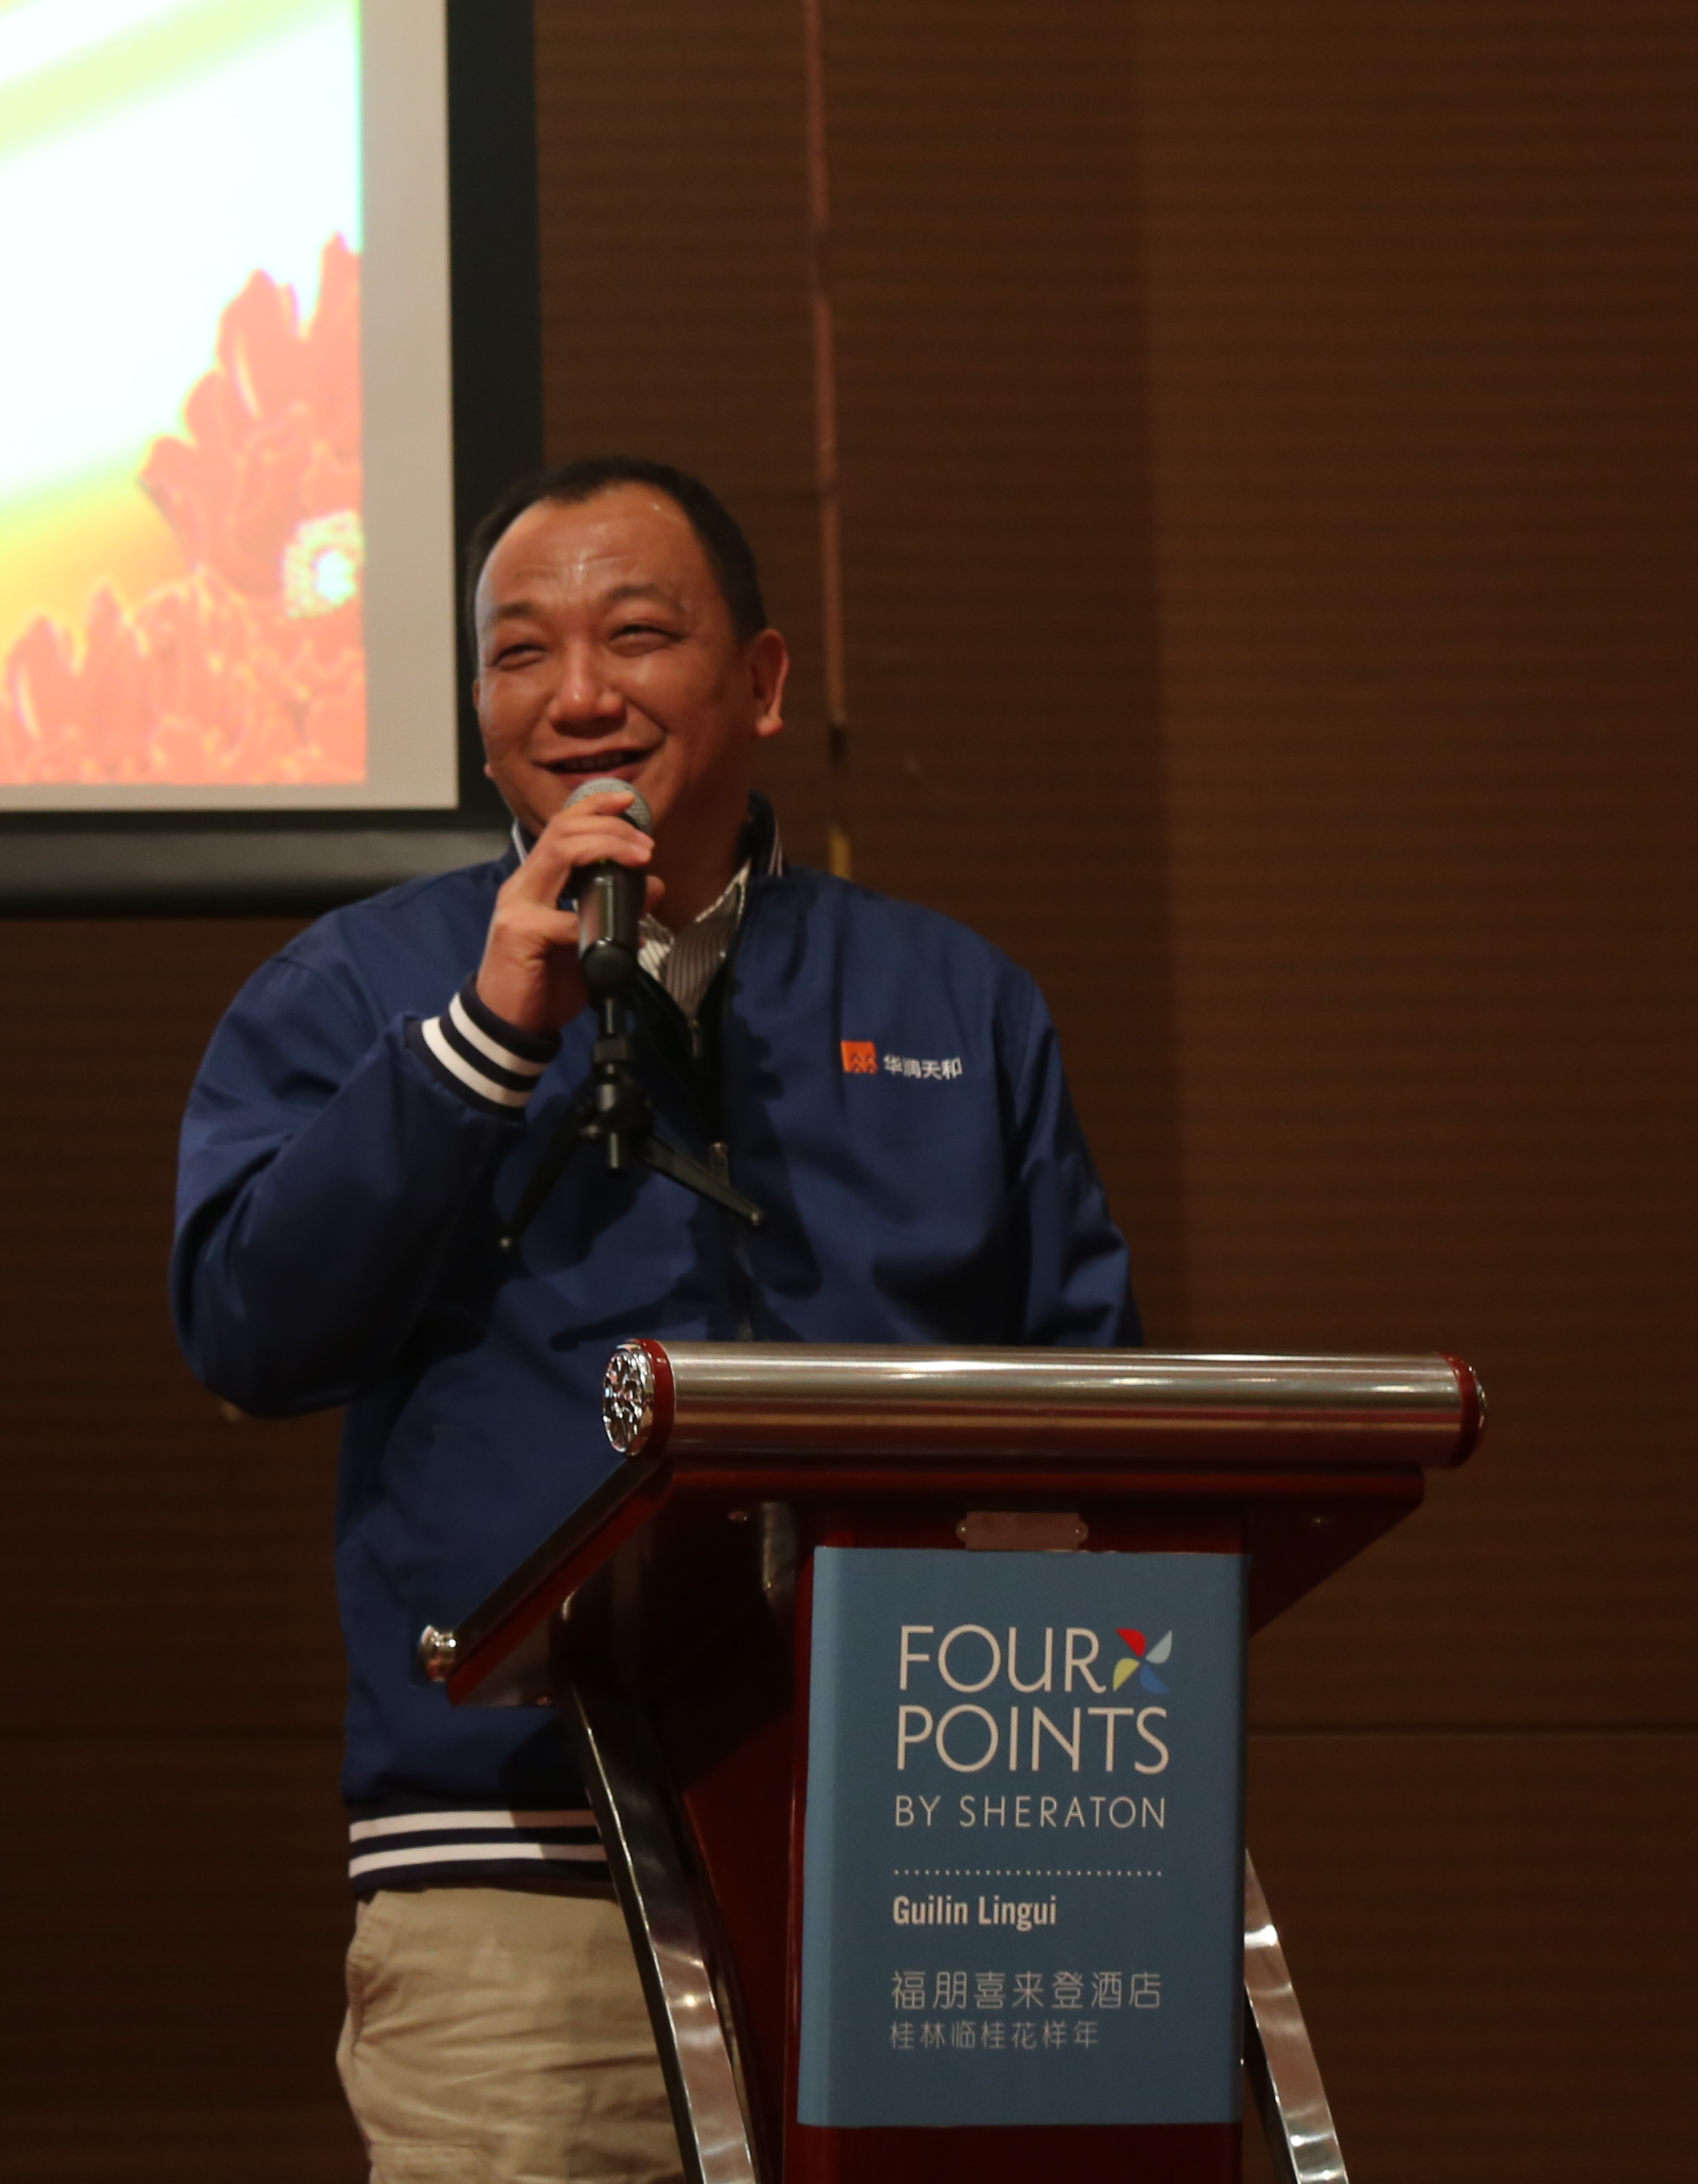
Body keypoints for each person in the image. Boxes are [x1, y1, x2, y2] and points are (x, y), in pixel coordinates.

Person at [171, 456, 1143, 2184]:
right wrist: (484, 1044)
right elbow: (248, 1330)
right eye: (519, 654)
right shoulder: (357, 988)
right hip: (520, 1878)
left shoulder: (951, 999)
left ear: (760, 682)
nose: (578, 697)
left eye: (634, 636)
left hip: (933, 1870)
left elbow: (1092, 1411)